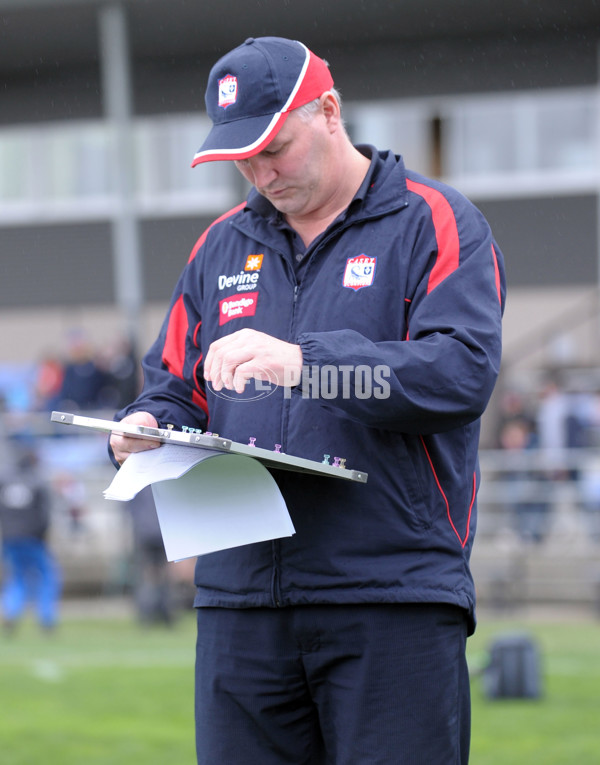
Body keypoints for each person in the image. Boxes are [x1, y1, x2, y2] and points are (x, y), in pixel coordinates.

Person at [110, 36, 506, 765]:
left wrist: (309, 364)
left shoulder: (434, 220)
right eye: (243, 158)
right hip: (239, 599)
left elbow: (460, 371)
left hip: (389, 591)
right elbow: (178, 383)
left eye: (276, 147)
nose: (262, 173)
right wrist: (148, 424)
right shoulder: (218, 246)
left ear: (329, 110)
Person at [0, 446, 61, 633]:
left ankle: (10, 612)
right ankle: (46, 618)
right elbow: (44, 515)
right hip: (34, 539)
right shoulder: (38, 482)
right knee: (47, 576)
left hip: (10, 539)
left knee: (17, 576)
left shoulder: (5, 481)